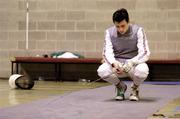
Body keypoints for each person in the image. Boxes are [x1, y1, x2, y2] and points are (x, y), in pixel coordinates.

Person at [97, 8, 150, 101]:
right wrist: (114, 63)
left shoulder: (138, 31)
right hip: (118, 66)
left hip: (133, 65)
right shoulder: (109, 32)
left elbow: (145, 53)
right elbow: (107, 52)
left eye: (123, 26)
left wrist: (132, 62)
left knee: (143, 71)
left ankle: (135, 88)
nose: (120, 29)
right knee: (102, 71)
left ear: (128, 22)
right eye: (117, 26)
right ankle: (120, 86)